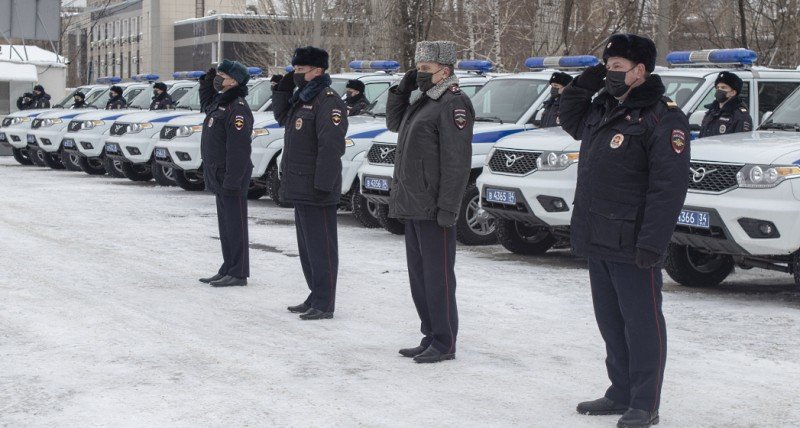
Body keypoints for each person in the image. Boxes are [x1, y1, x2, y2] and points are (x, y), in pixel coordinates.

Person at [559, 33, 690, 428]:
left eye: (617, 68)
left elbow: (668, 188)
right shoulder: (602, 108)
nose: (610, 75)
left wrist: (653, 242)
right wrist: (594, 74)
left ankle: (645, 401)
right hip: (598, 234)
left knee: (642, 324)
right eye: (608, 67)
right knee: (611, 321)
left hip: (634, 242)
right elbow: (568, 114)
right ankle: (619, 391)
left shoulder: (662, 116)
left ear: (640, 71)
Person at [386, 40, 474, 364]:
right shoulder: (422, 101)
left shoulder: (453, 104)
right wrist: (401, 89)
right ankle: (430, 334)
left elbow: (456, 162)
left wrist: (448, 209)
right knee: (420, 277)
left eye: (425, 69)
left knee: (439, 278)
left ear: (445, 71)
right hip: (413, 203)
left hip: (435, 207)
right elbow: (393, 123)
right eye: (418, 68)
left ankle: (445, 340)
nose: (420, 74)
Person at [272, 46, 348, 320]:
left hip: (317, 187)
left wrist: (323, 185)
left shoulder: (328, 101)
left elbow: (331, 146)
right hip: (300, 185)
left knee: (322, 248)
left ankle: (325, 302)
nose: (296, 75)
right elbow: (281, 118)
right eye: (295, 70)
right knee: (306, 248)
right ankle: (315, 294)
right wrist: (281, 90)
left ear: (318, 71)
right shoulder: (303, 98)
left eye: (300, 71)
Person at [197, 60, 254, 288]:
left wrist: (232, 179)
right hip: (219, 174)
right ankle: (228, 267)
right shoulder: (220, 103)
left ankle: (239, 272)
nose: (217, 78)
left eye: (222, 75)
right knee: (226, 226)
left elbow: (239, 150)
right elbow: (205, 101)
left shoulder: (237, 108)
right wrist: (206, 80)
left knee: (236, 225)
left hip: (232, 177)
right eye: (217, 74)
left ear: (234, 81)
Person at [698, 71, 753, 138]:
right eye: (718, 87)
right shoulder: (711, 112)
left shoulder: (740, 116)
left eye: (723, 87)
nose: (719, 90)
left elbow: (741, 143)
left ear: (733, 92)